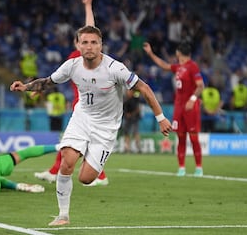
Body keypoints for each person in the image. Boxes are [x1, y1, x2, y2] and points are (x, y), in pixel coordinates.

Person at [10, 25, 172, 226]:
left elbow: (144, 88)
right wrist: (26, 87)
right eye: (84, 42)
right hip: (82, 119)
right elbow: (48, 81)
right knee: (67, 161)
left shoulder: (115, 69)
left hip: (106, 128)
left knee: (86, 178)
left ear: (101, 45)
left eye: (94, 42)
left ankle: (88, 153)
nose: (89, 46)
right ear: (78, 45)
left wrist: (161, 117)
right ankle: (63, 215)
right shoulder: (72, 65)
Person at [34, 0, 109, 187]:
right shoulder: (73, 58)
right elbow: (54, 79)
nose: (85, 43)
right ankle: (96, 175)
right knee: (76, 142)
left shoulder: (86, 56)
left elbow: (90, 26)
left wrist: (87, 7)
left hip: (91, 106)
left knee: (74, 142)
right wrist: (37, 87)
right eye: (82, 40)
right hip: (81, 103)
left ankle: (91, 175)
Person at [143, 41, 204, 177]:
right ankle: (181, 168)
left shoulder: (192, 67)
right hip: (179, 107)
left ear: (179, 52)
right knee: (180, 137)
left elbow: (200, 85)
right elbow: (164, 65)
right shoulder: (179, 67)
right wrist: (151, 54)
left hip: (190, 107)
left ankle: (199, 168)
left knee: (194, 138)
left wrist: (192, 99)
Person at [122, 89, 142, 153]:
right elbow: (123, 109)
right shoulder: (125, 99)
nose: (128, 93)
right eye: (127, 91)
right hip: (127, 119)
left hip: (135, 118)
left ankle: (138, 148)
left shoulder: (136, 99)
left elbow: (138, 109)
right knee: (126, 133)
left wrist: (131, 114)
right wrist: (126, 114)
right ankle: (127, 148)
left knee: (135, 132)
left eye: (130, 91)